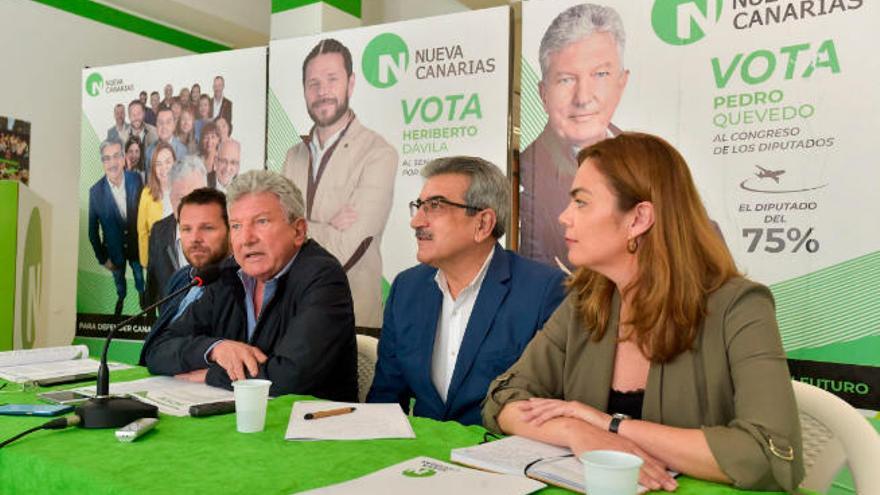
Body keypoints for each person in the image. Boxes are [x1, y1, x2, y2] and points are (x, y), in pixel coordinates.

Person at [483, 133, 804, 492]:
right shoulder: (584, 301)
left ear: (638, 219)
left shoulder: (741, 307)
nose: (563, 217)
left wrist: (611, 426)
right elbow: (505, 399)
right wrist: (577, 431)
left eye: (581, 202)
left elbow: (768, 455)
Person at [367, 156, 565, 425]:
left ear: (482, 224)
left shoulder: (543, 291)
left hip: (497, 456)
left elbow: (549, 408)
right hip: (420, 458)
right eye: (419, 206)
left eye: (434, 206)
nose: (416, 222)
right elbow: (385, 399)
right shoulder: (406, 289)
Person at [143, 170, 357, 400]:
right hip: (237, 423)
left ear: (298, 231)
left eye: (261, 222)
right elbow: (157, 351)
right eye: (236, 226)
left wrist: (212, 375)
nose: (246, 239)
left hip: (313, 426)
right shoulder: (228, 275)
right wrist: (215, 349)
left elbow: (291, 376)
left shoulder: (322, 277)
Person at [282, 38, 398, 328]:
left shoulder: (378, 153)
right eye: (313, 83)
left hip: (352, 319)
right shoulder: (292, 156)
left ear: (351, 83)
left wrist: (295, 227)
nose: (322, 92)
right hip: (292, 313)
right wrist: (326, 226)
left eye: (332, 79)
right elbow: (274, 234)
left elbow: (348, 247)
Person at [520, 3, 628, 268]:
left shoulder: (655, 164)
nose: (583, 98)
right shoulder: (518, 178)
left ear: (621, 83)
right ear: (543, 94)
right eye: (566, 79)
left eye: (600, 74)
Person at [139, 187, 231, 365]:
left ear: (231, 229)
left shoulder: (240, 283)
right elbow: (156, 348)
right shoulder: (181, 278)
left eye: (207, 228)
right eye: (186, 229)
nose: (195, 238)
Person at [88, 138, 145, 315]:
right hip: (113, 251)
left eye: (116, 156)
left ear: (123, 158)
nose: (112, 163)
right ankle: (121, 297)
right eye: (107, 158)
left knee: (138, 276)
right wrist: (103, 259)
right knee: (119, 280)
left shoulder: (136, 180)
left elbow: (144, 214)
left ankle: (142, 296)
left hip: (136, 248)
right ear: (102, 162)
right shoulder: (95, 192)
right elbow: (92, 231)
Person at [145, 155, 207, 307]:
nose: (188, 206)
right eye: (181, 197)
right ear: (171, 197)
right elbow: (151, 291)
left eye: (195, 197)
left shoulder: (226, 234)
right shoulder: (158, 231)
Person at [137, 142, 176, 271]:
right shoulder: (146, 194)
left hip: (180, 260)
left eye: (167, 162)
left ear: (175, 163)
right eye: (158, 164)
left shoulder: (184, 191)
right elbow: (142, 231)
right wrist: (146, 264)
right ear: (153, 168)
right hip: (157, 262)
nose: (163, 168)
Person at [145, 107, 188, 177]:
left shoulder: (183, 151)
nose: (164, 126)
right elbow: (149, 180)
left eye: (168, 122)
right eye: (160, 122)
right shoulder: (149, 151)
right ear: (156, 125)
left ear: (174, 125)